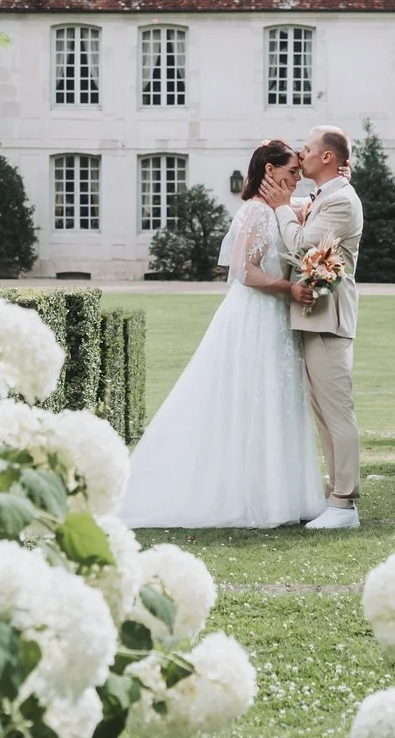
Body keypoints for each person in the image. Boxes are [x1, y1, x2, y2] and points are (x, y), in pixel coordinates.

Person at [118, 140, 326, 529]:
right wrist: (290, 289)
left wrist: (334, 181)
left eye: (300, 172)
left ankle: (277, 493)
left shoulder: (277, 208)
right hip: (255, 315)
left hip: (274, 319)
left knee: (274, 399)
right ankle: (243, 494)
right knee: (247, 398)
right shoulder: (256, 212)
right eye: (292, 171)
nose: (297, 179)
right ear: (270, 170)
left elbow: (310, 208)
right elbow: (244, 271)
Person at [288, 126, 364, 531]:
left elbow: (302, 243)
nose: (301, 154)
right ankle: (334, 495)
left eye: (307, 149)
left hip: (330, 318)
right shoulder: (325, 195)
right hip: (315, 316)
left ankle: (345, 503)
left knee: (338, 413)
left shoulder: (341, 201)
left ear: (327, 157)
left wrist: (279, 207)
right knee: (324, 415)